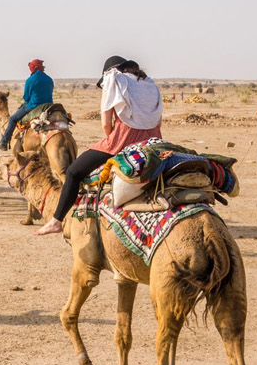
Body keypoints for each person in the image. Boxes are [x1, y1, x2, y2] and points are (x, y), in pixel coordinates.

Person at [35, 56, 163, 235]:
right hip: (153, 141)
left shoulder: (114, 78)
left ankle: (56, 220)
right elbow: (158, 121)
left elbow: (105, 123)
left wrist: (113, 141)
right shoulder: (149, 83)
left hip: (123, 139)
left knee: (73, 172)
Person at [0, 58, 54, 150]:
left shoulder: (31, 80)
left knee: (13, 119)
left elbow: (26, 97)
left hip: (34, 105)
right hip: (49, 106)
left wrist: (23, 104)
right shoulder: (49, 79)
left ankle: (3, 142)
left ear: (33, 68)